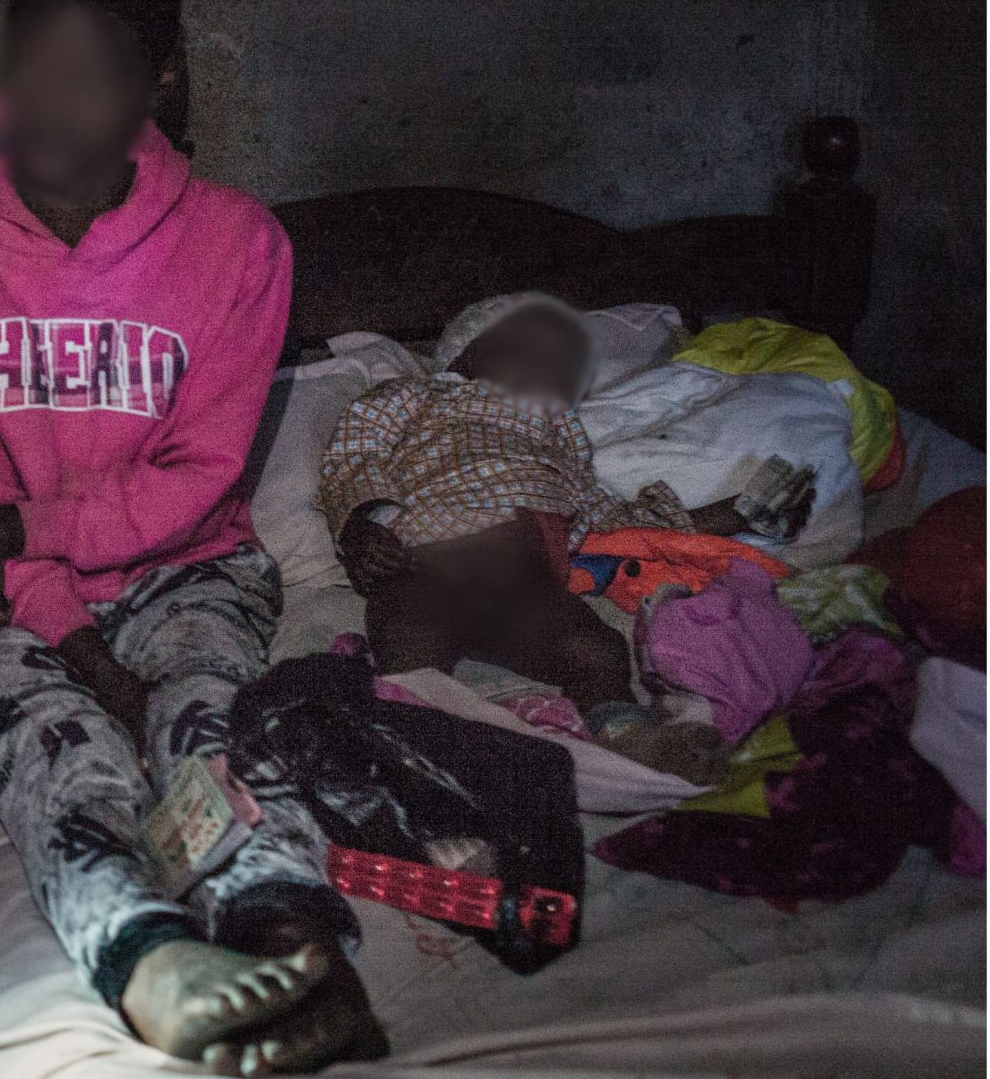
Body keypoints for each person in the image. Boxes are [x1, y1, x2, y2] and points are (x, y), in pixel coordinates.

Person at [0, 0, 381, 1077]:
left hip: (179, 560)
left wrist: (33, 529)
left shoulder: (240, 248)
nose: (47, 108)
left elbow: (196, 478)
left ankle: (291, 939)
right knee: (46, 736)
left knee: (209, 713)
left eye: (91, 76)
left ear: (165, 83)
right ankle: (145, 957)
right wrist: (85, 655)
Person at [319, 292, 806, 778]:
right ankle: (409, 748)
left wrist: (735, 514)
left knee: (596, 652)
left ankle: (629, 737)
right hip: (422, 564)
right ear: (468, 352)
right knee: (410, 643)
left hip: (525, 585)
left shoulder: (558, 432)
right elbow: (354, 457)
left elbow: (609, 518)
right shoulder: (412, 396)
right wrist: (362, 523)